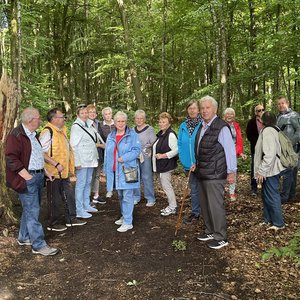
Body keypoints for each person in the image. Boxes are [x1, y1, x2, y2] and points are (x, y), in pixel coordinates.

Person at [5, 107, 59, 256]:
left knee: (30, 210)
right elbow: (10, 158)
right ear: (30, 120)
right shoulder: (16, 135)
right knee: (33, 211)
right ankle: (39, 245)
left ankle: (23, 237)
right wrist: (26, 175)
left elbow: (36, 155)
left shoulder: (33, 135)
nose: (40, 120)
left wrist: (45, 171)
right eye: (38, 118)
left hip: (38, 176)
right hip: (27, 178)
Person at [193, 96, 237, 249]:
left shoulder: (221, 127)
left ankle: (221, 236)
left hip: (215, 173)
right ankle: (210, 230)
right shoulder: (202, 125)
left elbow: (230, 151)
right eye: (202, 108)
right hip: (202, 172)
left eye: (207, 108)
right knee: (205, 205)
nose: (204, 111)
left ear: (215, 109)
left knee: (215, 206)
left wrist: (231, 172)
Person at [39, 108, 87, 232]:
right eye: (61, 117)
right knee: (54, 199)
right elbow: (41, 153)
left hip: (64, 172)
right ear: (54, 119)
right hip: (53, 173)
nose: (64, 119)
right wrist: (55, 163)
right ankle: (53, 223)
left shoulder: (62, 131)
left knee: (69, 195)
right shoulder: (47, 132)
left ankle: (71, 218)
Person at [104, 111, 141, 232]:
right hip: (114, 171)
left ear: (126, 122)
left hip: (127, 170)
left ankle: (128, 222)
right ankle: (124, 215)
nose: (121, 123)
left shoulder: (132, 135)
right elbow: (107, 154)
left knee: (127, 196)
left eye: (123, 121)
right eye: (118, 121)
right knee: (120, 195)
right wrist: (106, 168)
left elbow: (136, 151)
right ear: (114, 122)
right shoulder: (111, 136)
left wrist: (123, 158)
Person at [254, 111, 286, 230]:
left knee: (272, 195)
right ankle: (268, 219)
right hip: (270, 169)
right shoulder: (274, 129)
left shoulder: (268, 131)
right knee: (266, 195)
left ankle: (278, 223)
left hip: (270, 170)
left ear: (262, 121)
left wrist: (261, 171)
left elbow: (270, 154)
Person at [70, 105, 99, 218]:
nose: (85, 115)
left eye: (86, 112)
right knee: (81, 184)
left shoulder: (89, 125)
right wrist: (77, 162)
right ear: (77, 115)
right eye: (82, 113)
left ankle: (86, 204)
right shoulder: (76, 127)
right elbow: (73, 146)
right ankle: (79, 209)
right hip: (82, 160)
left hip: (90, 159)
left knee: (88, 182)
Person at [178, 100, 202, 224]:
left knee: (204, 188)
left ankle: (206, 211)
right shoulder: (183, 126)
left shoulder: (203, 124)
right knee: (193, 188)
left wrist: (199, 162)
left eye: (194, 108)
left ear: (199, 109)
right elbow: (180, 144)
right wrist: (183, 159)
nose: (192, 110)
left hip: (202, 164)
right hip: (188, 164)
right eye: (190, 108)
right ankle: (196, 212)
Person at [152, 112, 178, 216]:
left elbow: (176, 150)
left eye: (164, 122)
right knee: (165, 186)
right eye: (160, 121)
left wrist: (163, 155)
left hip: (166, 165)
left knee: (167, 186)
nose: (161, 123)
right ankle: (172, 205)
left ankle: (173, 207)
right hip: (160, 165)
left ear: (169, 123)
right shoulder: (161, 134)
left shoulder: (170, 134)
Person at [276, 96, 300, 202]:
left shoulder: (294, 115)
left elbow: (299, 130)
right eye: (279, 104)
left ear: (287, 103)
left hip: (292, 149)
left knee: (290, 171)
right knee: (289, 171)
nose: (281, 105)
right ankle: (290, 195)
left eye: (282, 103)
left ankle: (287, 196)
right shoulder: (278, 117)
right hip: (281, 149)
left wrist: (291, 144)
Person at [133, 110, 157, 206]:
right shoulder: (132, 130)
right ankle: (136, 196)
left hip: (146, 155)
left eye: (141, 118)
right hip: (134, 156)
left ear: (144, 119)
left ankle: (150, 198)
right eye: (137, 118)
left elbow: (154, 142)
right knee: (135, 176)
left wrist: (149, 149)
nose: (139, 120)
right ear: (135, 119)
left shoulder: (149, 129)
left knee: (147, 177)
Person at [223, 108, 247, 201]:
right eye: (227, 114)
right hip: (222, 152)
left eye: (231, 114)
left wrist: (240, 152)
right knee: (222, 171)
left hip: (233, 153)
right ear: (224, 116)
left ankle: (232, 192)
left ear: (234, 116)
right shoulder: (221, 125)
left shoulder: (236, 125)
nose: (229, 116)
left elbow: (239, 140)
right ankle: (221, 189)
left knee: (233, 172)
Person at [86, 104, 106, 205]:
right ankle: (87, 197)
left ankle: (96, 195)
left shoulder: (98, 124)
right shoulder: (85, 124)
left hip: (99, 154)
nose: (92, 114)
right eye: (90, 112)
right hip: (90, 155)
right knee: (90, 175)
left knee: (97, 175)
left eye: (94, 112)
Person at [246, 104, 265, 196]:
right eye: (258, 110)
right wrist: (258, 143)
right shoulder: (251, 122)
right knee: (254, 168)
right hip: (255, 149)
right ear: (255, 112)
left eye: (262, 110)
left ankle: (265, 187)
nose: (261, 112)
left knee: (265, 167)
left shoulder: (267, 121)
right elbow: (249, 135)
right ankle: (254, 188)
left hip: (266, 150)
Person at [99, 107, 115, 198]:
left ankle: (118, 187)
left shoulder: (117, 123)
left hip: (117, 151)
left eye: (109, 113)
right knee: (109, 171)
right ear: (103, 116)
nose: (108, 116)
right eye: (106, 114)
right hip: (106, 152)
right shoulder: (100, 125)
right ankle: (109, 190)